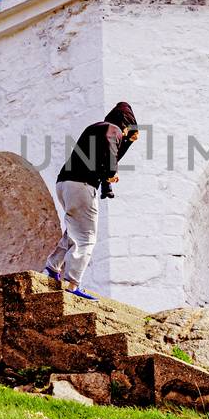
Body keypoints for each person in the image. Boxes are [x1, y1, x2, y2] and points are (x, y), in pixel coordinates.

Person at [44, 102, 138, 299]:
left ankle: (53, 267)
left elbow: (110, 153)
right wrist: (112, 174)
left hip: (65, 184)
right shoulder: (112, 129)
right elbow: (112, 155)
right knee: (86, 237)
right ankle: (72, 284)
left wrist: (127, 142)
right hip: (82, 185)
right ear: (126, 122)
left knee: (75, 230)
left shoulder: (97, 127)